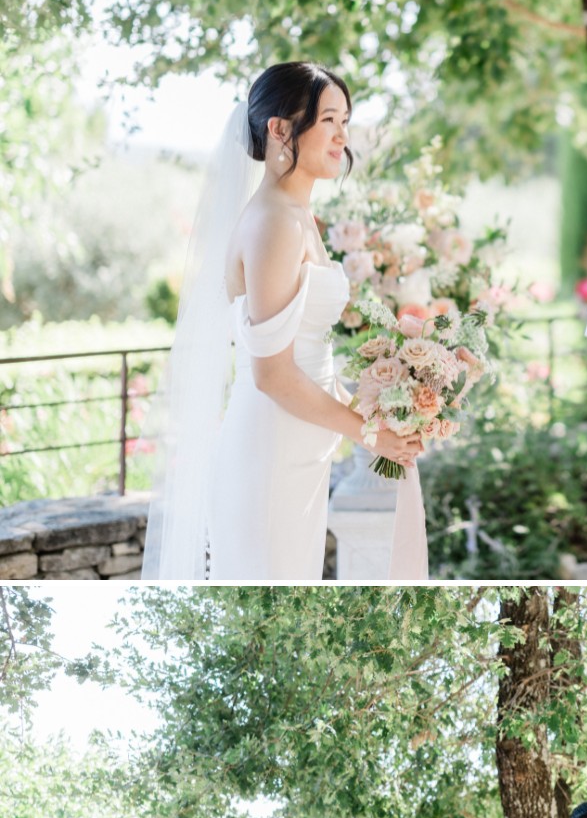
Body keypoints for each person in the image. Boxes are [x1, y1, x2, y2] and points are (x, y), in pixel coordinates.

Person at [142, 60, 426, 583]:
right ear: (280, 129)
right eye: (329, 120)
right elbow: (271, 373)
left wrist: (385, 415)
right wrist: (368, 435)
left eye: (346, 120)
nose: (343, 135)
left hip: (299, 453)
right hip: (267, 458)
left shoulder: (297, 216)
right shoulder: (273, 221)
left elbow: (308, 355)